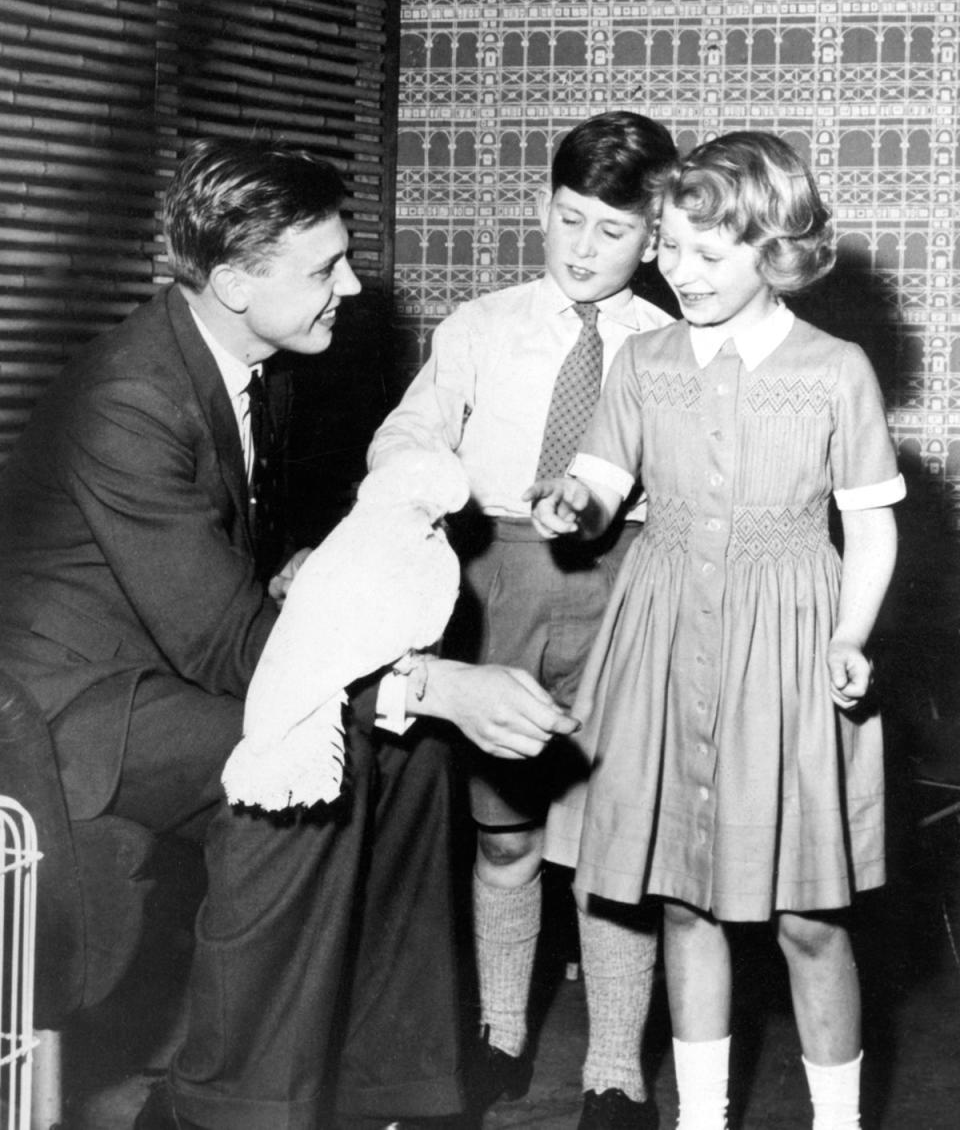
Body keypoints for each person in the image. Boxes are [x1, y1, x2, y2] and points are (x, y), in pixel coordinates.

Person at [0, 137, 580, 1130]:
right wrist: (429, 682)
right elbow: (230, 649)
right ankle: (223, 1106)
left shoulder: (252, 362)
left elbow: (220, 586)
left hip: (162, 660)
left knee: (410, 758)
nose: (351, 286)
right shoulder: (131, 396)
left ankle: (390, 1087)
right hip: (77, 707)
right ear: (231, 281)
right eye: (324, 268)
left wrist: (299, 581)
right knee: (301, 763)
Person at [528, 131, 905, 1130]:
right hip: (662, 629)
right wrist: (575, 501)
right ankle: (701, 1117)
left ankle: (838, 1120)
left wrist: (852, 635)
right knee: (684, 901)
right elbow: (607, 480)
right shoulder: (644, 360)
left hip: (788, 646)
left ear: (773, 250)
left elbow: (869, 526)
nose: (678, 272)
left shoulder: (837, 370)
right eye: (670, 248)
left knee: (807, 918)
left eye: (709, 254)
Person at [368, 111, 677, 1130]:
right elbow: (410, 430)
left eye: (614, 231)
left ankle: (616, 1069)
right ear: (543, 207)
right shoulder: (479, 326)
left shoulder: (675, 345)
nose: (584, 250)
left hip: (625, 590)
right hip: (494, 580)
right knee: (501, 835)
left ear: (658, 232)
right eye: (568, 218)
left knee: (615, 848)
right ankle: (500, 1034)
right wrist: (415, 477)